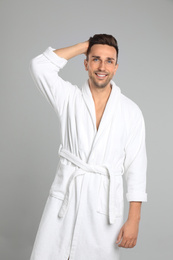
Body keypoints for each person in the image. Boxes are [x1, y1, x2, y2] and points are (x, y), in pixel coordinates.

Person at [29, 34, 147, 260]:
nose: (102, 66)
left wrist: (134, 219)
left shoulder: (131, 112)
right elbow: (39, 66)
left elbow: (136, 168)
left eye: (109, 61)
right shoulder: (69, 98)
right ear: (85, 63)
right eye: (95, 59)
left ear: (116, 67)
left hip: (102, 206)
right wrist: (85, 45)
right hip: (64, 196)